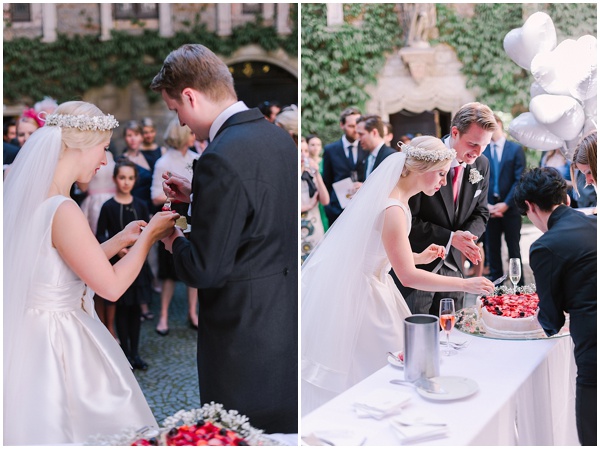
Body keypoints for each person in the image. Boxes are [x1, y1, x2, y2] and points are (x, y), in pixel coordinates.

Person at [3, 101, 178, 444]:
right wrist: (149, 238)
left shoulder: (37, 196)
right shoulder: (63, 208)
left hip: (29, 331)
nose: (103, 161)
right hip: (58, 338)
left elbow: (58, 267)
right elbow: (110, 286)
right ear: (81, 145)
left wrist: (118, 241)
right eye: (102, 148)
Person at [150, 43, 297, 434]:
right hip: (282, 320)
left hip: (240, 334)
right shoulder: (279, 139)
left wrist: (173, 238)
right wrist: (199, 197)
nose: (180, 122)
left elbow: (206, 269)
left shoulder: (220, 156)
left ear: (190, 96)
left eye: (175, 110)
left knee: (236, 433)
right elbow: (257, 217)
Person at [302, 136, 494, 415]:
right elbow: (408, 277)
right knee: (376, 368)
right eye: (441, 173)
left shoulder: (397, 201)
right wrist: (466, 283)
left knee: (389, 363)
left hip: (372, 283)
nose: (443, 182)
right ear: (420, 169)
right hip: (362, 296)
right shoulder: (393, 209)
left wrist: (419, 256)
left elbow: (379, 252)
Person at [514, 167, 596, 446]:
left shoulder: (545, 246)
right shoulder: (593, 223)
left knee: (591, 433)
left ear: (530, 206)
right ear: (567, 198)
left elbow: (552, 320)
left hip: (593, 346)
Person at [394, 102, 496, 315]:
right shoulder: (425, 158)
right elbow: (406, 218)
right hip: (419, 267)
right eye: (473, 144)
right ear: (455, 132)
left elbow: (482, 212)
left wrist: (467, 237)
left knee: (451, 335)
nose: (478, 152)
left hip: (455, 268)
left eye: (484, 145)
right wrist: (450, 237)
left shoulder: (482, 164)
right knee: (417, 335)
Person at [96, 160, 153, 370]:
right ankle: (125, 354)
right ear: (114, 179)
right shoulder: (108, 206)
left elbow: (146, 233)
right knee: (121, 309)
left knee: (135, 311)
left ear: (135, 180)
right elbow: (100, 233)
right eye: (122, 178)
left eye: (130, 178)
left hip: (137, 264)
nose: (126, 182)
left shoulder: (140, 205)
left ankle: (136, 353)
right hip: (117, 265)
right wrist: (119, 249)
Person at [150, 118, 200, 335]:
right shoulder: (163, 161)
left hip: (193, 216)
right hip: (172, 215)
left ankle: (192, 312)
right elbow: (154, 196)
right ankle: (163, 315)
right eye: (190, 133)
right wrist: (174, 194)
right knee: (169, 270)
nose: (193, 136)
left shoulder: (197, 158)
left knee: (195, 263)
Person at [482, 115, 526, 284]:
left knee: (513, 249)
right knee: (492, 250)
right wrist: (487, 205)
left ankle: (519, 288)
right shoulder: (483, 151)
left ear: (498, 124)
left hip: (511, 209)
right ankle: (496, 287)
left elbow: (519, 180)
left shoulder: (515, 150)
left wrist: (506, 204)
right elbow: (479, 180)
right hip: (489, 209)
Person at [322, 107, 368, 225]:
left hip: (364, 209)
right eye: (351, 126)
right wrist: (330, 209)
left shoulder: (367, 148)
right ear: (342, 125)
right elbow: (327, 181)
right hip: (338, 211)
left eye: (358, 126)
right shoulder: (330, 150)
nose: (356, 130)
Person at [301, 140, 329, 263]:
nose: (303, 155)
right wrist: (307, 206)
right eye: (299, 151)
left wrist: (317, 173)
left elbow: (325, 200)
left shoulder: (311, 176)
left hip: (315, 226)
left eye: (305, 151)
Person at [355, 114, 396, 181]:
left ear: (374, 132)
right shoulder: (365, 155)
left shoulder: (391, 156)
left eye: (361, 134)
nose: (358, 139)